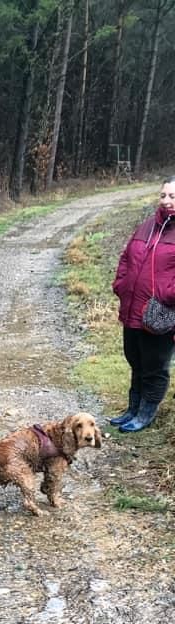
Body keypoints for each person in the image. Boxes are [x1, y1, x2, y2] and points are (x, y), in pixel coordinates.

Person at [110, 177, 175, 432]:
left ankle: (146, 413)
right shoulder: (147, 226)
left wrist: (166, 294)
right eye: (163, 196)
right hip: (133, 309)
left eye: (172, 197)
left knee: (154, 367)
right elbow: (126, 257)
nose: (167, 201)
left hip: (161, 313)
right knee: (135, 360)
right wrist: (121, 285)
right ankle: (132, 409)